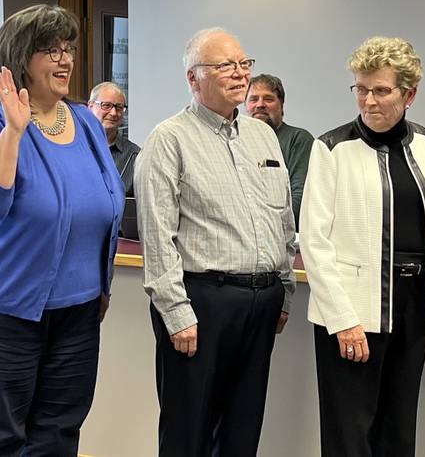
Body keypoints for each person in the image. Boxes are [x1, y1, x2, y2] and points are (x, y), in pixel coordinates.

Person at [0, 4, 124, 456]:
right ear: (20, 58)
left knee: (57, 434)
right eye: (50, 50)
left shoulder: (85, 122)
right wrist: (14, 133)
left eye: (69, 49)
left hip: (75, 313)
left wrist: (99, 286)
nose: (65, 59)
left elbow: (106, 207)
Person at [300, 36, 425, 457]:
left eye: (381, 90)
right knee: (348, 435)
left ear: (409, 94)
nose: (369, 101)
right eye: (361, 88)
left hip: (411, 308)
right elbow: (314, 242)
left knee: (397, 431)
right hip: (351, 312)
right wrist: (342, 320)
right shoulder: (332, 148)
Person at [135, 27, 296, 457]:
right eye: (225, 65)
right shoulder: (168, 140)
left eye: (245, 64)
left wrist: (284, 290)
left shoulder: (263, 136)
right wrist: (175, 310)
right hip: (202, 302)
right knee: (190, 428)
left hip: (261, 300)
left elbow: (281, 217)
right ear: (193, 78)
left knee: (243, 425)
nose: (240, 74)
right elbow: (157, 234)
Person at [245, 74, 314, 229]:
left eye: (268, 99)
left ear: (281, 105)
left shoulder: (298, 140)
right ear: (245, 105)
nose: (260, 105)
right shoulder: (236, 144)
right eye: (253, 99)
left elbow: (300, 199)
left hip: (284, 240)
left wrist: (260, 229)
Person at [88, 81, 140, 195]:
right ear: (90, 107)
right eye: (106, 105)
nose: (113, 113)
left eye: (119, 107)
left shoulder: (135, 156)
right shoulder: (74, 149)